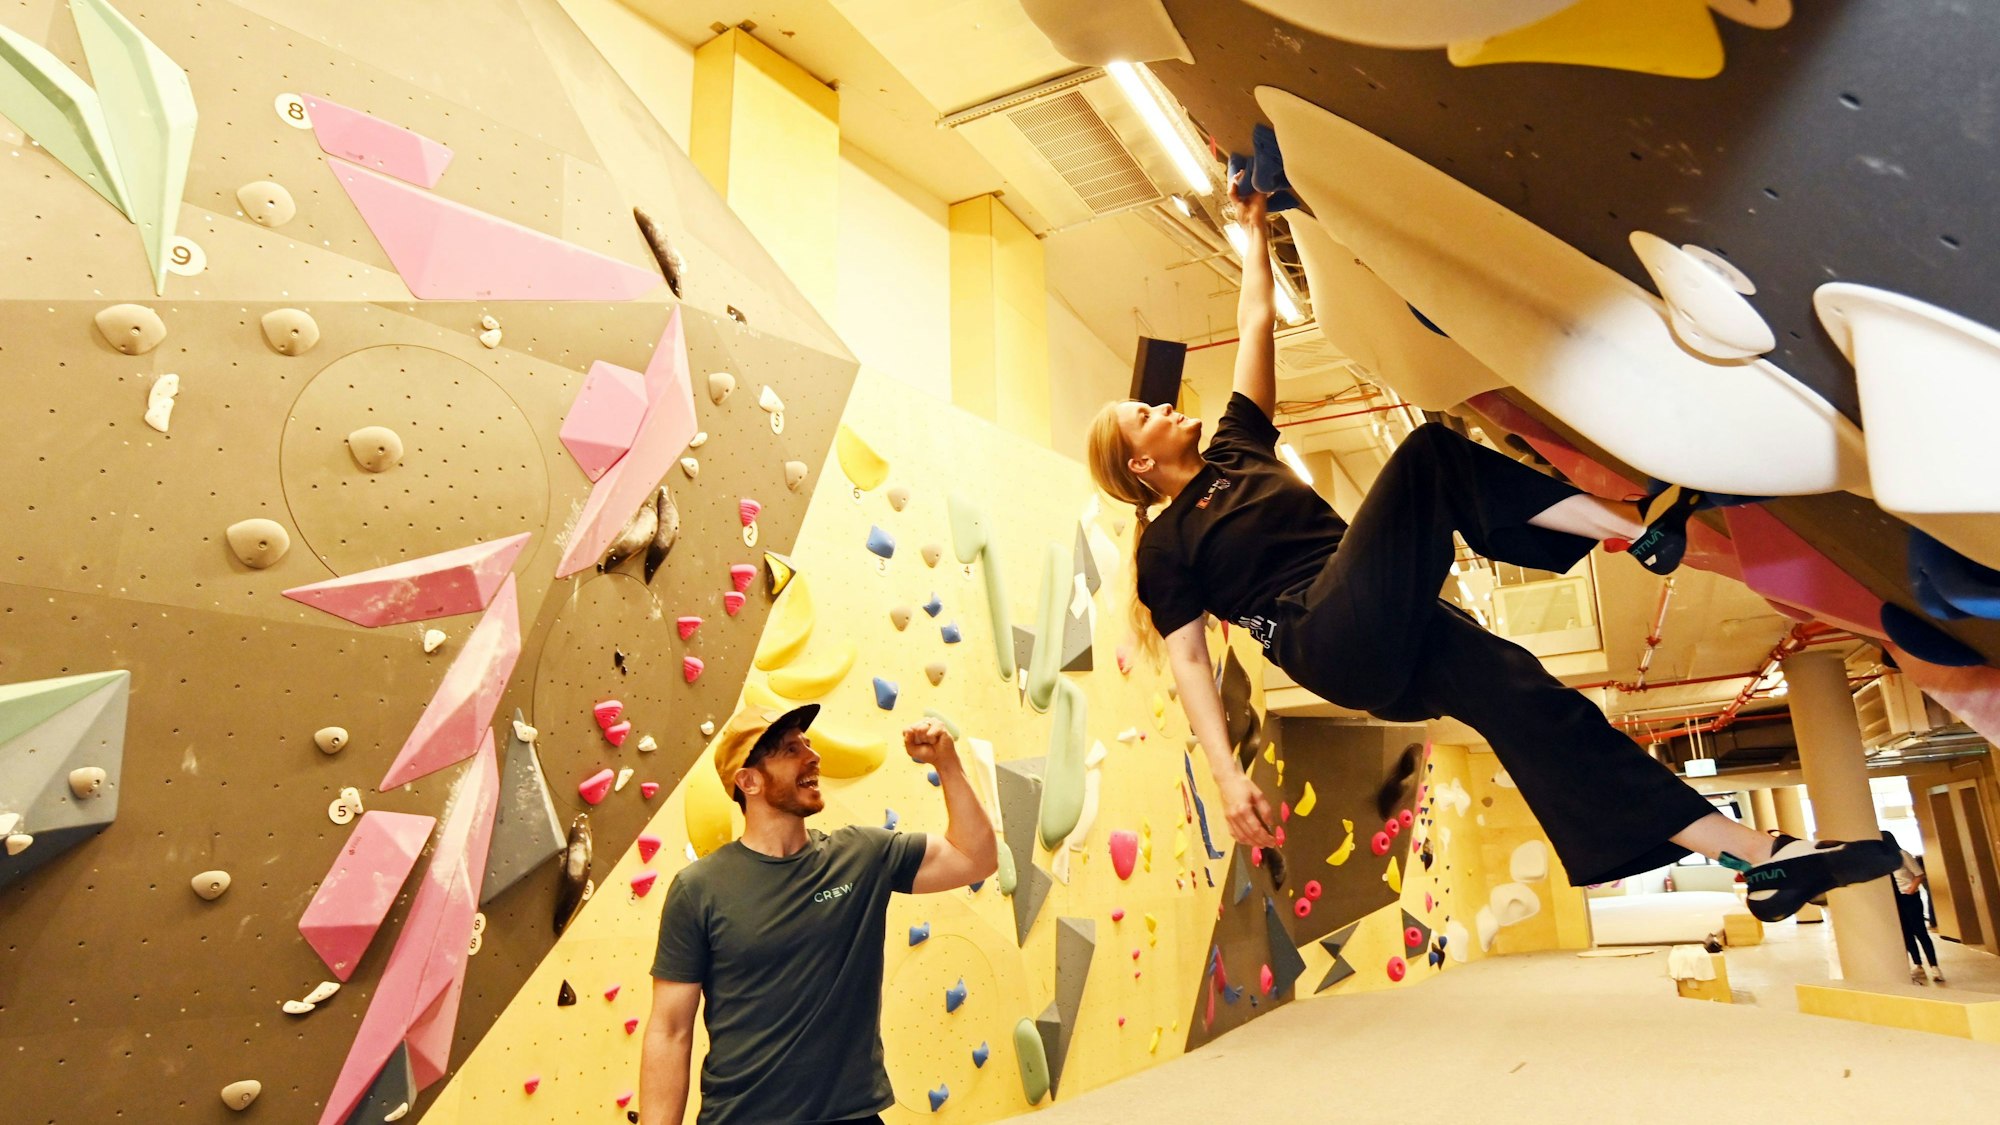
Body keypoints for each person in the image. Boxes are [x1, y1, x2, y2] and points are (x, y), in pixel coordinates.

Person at [1083, 173, 1902, 924]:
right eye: (1141, 418)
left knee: (1531, 697)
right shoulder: (1168, 544)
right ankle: (1636, 525)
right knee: (1429, 458)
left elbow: (1255, 318)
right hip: (1323, 633)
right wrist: (1228, 777)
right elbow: (1190, 662)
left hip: (1388, 618)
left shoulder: (1238, 448)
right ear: (1143, 465)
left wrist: (1252, 230)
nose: (1158, 408)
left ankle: (1759, 857)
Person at [640, 706, 997, 1125]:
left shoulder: (861, 856)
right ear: (748, 780)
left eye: (808, 744)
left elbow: (975, 858)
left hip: (853, 1117)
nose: (813, 757)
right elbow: (669, 1030)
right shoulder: (698, 889)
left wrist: (947, 763)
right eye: (791, 749)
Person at [1896, 849, 1945, 985]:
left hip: (1910, 897)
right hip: (1896, 899)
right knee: (1906, 933)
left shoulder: (1902, 855)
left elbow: (1919, 874)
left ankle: (1934, 967)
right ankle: (1918, 964)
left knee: (1920, 932)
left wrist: (1911, 889)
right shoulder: (1885, 860)